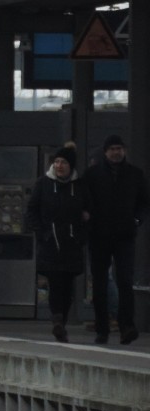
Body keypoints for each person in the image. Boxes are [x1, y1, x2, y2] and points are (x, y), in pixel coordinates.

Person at [83, 134, 150, 345]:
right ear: (105, 152)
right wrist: (88, 219)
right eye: (112, 149)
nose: (116, 152)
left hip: (125, 236)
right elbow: (84, 200)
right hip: (99, 236)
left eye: (119, 148)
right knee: (100, 283)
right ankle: (102, 328)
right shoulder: (92, 175)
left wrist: (136, 220)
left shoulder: (135, 175)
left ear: (124, 151)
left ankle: (126, 326)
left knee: (125, 281)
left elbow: (144, 202)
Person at [25, 142, 90, 342]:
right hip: (50, 242)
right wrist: (42, 233)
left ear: (71, 166)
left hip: (71, 243)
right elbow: (32, 210)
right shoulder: (43, 184)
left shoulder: (79, 186)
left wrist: (81, 235)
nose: (60, 166)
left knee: (68, 284)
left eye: (63, 162)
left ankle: (61, 318)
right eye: (57, 162)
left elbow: (89, 212)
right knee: (55, 282)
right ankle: (57, 321)